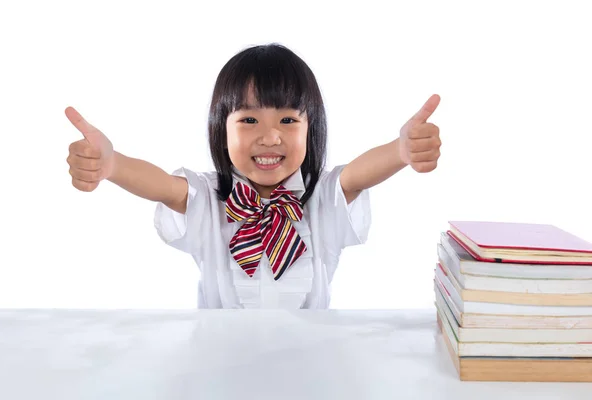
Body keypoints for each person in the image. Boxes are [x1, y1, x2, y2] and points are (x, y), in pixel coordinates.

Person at [65, 43, 441, 309]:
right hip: (220, 366)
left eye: (288, 120)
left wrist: (400, 151)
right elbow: (163, 186)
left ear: (312, 129)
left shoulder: (321, 197)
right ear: (220, 129)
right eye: (248, 120)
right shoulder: (209, 199)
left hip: (310, 364)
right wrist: (112, 165)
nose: (270, 136)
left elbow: (356, 177)